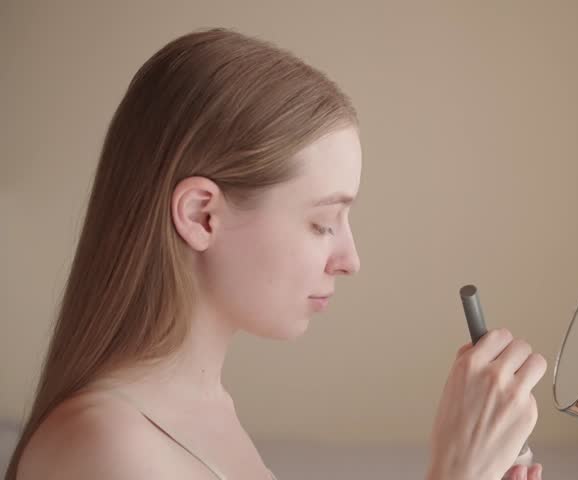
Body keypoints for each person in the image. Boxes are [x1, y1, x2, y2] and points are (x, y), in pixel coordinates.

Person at [5, 28, 547, 480]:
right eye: (321, 222)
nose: (350, 259)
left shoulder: (206, 410)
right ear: (201, 216)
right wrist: (455, 471)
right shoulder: (104, 450)